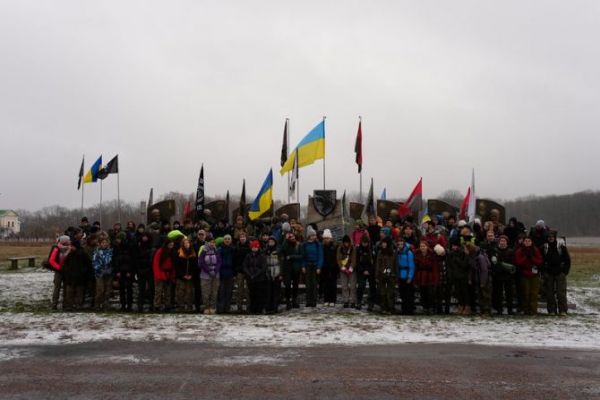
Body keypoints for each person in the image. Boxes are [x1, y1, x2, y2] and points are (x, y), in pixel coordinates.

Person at [542, 232, 571, 315]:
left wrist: (565, 272)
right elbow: (541, 261)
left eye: (552, 237)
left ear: (555, 237)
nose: (550, 238)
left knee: (561, 293)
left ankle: (562, 310)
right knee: (549, 293)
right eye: (549, 237)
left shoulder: (561, 247)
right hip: (548, 273)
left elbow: (567, 260)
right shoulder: (544, 247)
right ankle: (551, 310)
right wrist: (544, 272)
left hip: (560, 273)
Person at [515, 236, 543, 315]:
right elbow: (518, 262)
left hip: (534, 274)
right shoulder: (519, 251)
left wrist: (532, 258)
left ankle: (533, 310)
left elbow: (539, 261)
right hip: (524, 274)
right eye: (526, 241)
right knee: (525, 293)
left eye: (529, 241)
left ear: (531, 242)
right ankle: (526, 310)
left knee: (534, 293)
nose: (527, 242)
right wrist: (525, 257)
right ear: (523, 242)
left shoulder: (535, 250)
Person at [62, 238, 92, 311]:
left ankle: (78, 305)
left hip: (80, 277)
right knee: (70, 292)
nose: (70, 247)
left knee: (79, 292)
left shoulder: (83, 254)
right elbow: (65, 265)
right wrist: (66, 272)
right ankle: (69, 305)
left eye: (71, 246)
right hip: (70, 276)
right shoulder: (69, 254)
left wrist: (84, 273)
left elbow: (88, 265)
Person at [490, 235, 516, 315]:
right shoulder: (494, 250)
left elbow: (513, 263)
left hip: (508, 275)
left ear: (506, 242)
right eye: (501, 241)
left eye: (504, 241)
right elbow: (493, 262)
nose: (502, 243)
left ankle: (510, 309)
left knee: (509, 293)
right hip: (498, 274)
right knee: (498, 293)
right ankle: (499, 309)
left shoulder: (510, 251)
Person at [465, 243, 492, 315]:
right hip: (477, 278)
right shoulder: (471, 256)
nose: (465, 251)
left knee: (485, 295)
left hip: (484, 279)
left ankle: (487, 311)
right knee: (480, 295)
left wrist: (483, 282)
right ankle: (482, 310)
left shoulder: (480, 257)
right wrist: (470, 278)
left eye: (466, 249)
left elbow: (484, 270)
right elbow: (471, 268)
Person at [413, 241, 439, 314]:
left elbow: (435, 268)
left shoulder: (431, 255)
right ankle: (425, 308)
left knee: (430, 293)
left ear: (427, 247)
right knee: (422, 292)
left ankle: (430, 307)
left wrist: (435, 278)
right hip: (421, 276)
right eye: (421, 246)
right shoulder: (417, 254)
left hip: (429, 276)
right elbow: (416, 267)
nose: (422, 248)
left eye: (424, 246)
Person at [243, 240, 268, 314]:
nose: (254, 248)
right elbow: (245, 266)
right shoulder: (248, 255)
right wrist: (249, 274)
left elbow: (263, 267)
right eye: (253, 247)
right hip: (250, 278)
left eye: (256, 247)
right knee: (252, 294)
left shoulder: (262, 256)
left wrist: (256, 275)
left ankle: (259, 309)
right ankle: (252, 309)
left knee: (259, 294)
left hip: (259, 279)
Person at [198, 234, 221, 315]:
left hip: (215, 274)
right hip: (205, 275)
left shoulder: (216, 250)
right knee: (205, 292)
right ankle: (206, 307)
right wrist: (208, 270)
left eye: (213, 242)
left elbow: (219, 261)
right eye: (210, 242)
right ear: (207, 242)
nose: (212, 244)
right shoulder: (203, 250)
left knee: (214, 292)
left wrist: (215, 270)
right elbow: (201, 262)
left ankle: (213, 307)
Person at [447, 238, 471, 315]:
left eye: (454, 246)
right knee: (458, 292)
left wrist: (457, 260)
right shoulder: (451, 254)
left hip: (463, 276)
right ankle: (460, 306)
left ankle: (467, 306)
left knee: (465, 292)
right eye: (452, 246)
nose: (453, 247)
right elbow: (449, 265)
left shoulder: (463, 253)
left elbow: (465, 265)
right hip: (455, 276)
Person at [113, 233, 136, 311]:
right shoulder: (116, 248)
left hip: (128, 271)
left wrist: (130, 271)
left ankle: (129, 306)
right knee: (122, 289)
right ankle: (123, 305)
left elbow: (132, 260)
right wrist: (117, 271)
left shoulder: (130, 247)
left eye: (118, 239)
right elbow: (115, 261)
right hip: (120, 271)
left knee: (129, 289)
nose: (117, 240)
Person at [280, 232, 303, 309]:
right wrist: (286, 240)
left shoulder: (299, 245)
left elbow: (301, 256)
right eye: (290, 237)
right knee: (287, 285)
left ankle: (294, 301)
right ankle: (288, 301)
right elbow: (282, 250)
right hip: (287, 268)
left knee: (295, 285)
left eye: (293, 236)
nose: (292, 238)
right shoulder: (286, 244)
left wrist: (292, 256)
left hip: (296, 268)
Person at [47, 235, 71, 310]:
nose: (70, 241)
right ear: (64, 241)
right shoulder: (56, 248)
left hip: (67, 270)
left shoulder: (69, 248)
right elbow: (51, 260)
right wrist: (59, 268)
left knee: (66, 288)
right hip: (59, 271)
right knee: (57, 287)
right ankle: (54, 304)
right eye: (68, 240)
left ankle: (66, 304)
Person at [302, 226, 323, 307]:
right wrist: (303, 266)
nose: (315, 236)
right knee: (308, 284)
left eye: (315, 235)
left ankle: (314, 301)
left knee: (314, 284)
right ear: (309, 236)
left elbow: (320, 256)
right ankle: (308, 301)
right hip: (307, 266)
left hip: (315, 266)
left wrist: (319, 267)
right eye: (313, 235)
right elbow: (303, 256)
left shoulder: (318, 245)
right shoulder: (305, 245)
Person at [174, 237, 197, 312]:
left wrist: (191, 275)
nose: (186, 244)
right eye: (185, 243)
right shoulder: (179, 252)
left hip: (190, 276)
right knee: (180, 292)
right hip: (181, 276)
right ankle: (180, 306)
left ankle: (189, 307)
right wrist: (182, 275)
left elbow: (195, 266)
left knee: (189, 292)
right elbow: (177, 266)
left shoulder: (193, 253)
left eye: (188, 243)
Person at [153, 239, 176, 312]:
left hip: (168, 274)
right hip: (161, 273)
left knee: (168, 291)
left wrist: (173, 275)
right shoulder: (160, 251)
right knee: (159, 291)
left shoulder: (172, 252)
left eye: (172, 245)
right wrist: (158, 274)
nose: (171, 246)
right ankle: (157, 305)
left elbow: (173, 265)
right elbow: (156, 263)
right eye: (170, 244)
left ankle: (167, 305)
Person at [356, 234, 376, 311]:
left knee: (372, 287)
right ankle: (359, 301)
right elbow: (357, 262)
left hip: (370, 271)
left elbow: (374, 262)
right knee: (361, 286)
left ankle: (371, 303)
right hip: (361, 271)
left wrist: (369, 271)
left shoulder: (372, 249)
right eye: (363, 242)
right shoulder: (359, 249)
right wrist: (363, 270)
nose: (365, 244)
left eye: (366, 242)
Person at [92, 237, 113, 311]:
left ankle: (105, 305)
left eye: (106, 242)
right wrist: (100, 268)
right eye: (103, 243)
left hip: (109, 273)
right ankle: (97, 304)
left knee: (107, 290)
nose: (104, 244)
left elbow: (113, 262)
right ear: (100, 244)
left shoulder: (111, 251)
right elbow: (94, 262)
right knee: (100, 289)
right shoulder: (97, 252)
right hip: (99, 273)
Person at [135, 232, 155, 313]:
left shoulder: (151, 248)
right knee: (141, 289)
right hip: (141, 270)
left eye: (146, 236)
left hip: (150, 271)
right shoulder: (138, 247)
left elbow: (152, 260)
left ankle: (151, 305)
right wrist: (138, 269)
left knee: (151, 289)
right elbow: (136, 259)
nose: (145, 238)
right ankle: (140, 305)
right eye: (143, 236)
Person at [376, 237, 396, 313]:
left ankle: (390, 307)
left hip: (391, 275)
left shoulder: (393, 253)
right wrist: (377, 275)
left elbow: (394, 264)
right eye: (382, 243)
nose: (383, 244)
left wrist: (394, 275)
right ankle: (383, 307)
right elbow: (378, 264)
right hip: (382, 275)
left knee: (390, 292)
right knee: (382, 292)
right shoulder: (380, 252)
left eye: (385, 243)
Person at [396, 237, 415, 315]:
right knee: (402, 294)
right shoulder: (398, 252)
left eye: (401, 244)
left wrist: (410, 277)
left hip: (407, 275)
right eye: (399, 244)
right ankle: (404, 310)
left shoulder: (409, 253)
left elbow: (412, 266)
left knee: (409, 294)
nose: (400, 245)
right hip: (400, 276)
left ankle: (409, 310)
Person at [217, 235, 236, 314]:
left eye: (229, 239)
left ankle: (227, 308)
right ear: (223, 240)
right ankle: (220, 308)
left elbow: (235, 261)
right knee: (221, 292)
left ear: (231, 240)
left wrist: (234, 272)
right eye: (225, 239)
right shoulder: (219, 249)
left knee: (229, 292)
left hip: (230, 273)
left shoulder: (233, 249)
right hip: (221, 272)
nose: (227, 240)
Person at [337, 235, 357, 308]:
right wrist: (343, 268)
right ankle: (346, 300)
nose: (346, 244)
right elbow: (338, 259)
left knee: (352, 286)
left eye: (347, 243)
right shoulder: (340, 248)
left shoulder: (353, 249)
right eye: (345, 243)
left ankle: (353, 301)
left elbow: (354, 259)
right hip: (343, 269)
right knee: (344, 286)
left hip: (352, 269)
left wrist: (351, 268)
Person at [264, 236, 283, 314]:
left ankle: (275, 307)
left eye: (272, 241)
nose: (271, 243)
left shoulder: (278, 251)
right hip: (268, 272)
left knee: (276, 291)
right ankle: (268, 307)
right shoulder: (266, 251)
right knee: (268, 292)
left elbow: (281, 263)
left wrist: (281, 273)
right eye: (270, 241)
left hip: (276, 273)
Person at [234, 232, 251, 313]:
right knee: (239, 289)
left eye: (244, 237)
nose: (242, 238)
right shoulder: (236, 247)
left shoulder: (250, 247)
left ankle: (248, 307)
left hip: (248, 271)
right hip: (240, 271)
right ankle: (239, 307)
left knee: (248, 290)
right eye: (241, 237)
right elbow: (235, 259)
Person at [321, 229, 339, 306]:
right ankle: (326, 299)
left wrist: (335, 267)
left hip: (333, 268)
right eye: (325, 238)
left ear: (330, 238)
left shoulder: (334, 246)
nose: (326, 240)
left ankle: (333, 300)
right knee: (325, 285)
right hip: (325, 268)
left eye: (327, 238)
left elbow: (337, 258)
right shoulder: (322, 247)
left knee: (333, 285)